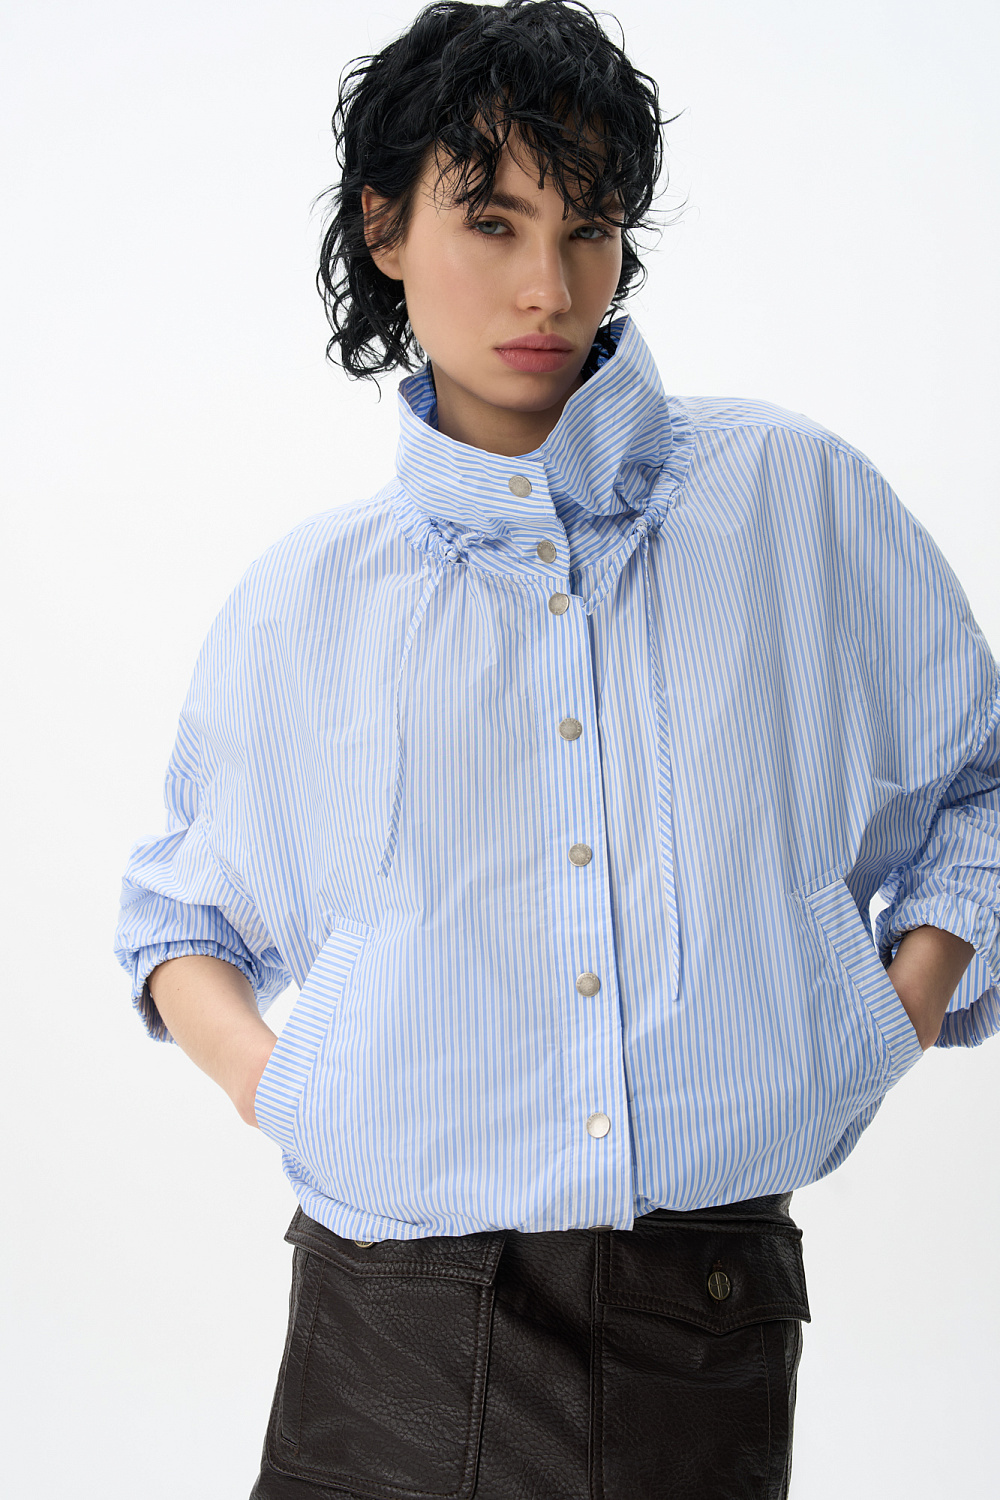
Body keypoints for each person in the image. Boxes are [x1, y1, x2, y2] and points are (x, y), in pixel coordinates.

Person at [113, 2, 1000, 1496]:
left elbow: (979, 785)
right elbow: (179, 917)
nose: (549, 286)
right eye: (494, 221)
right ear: (385, 228)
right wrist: (293, 1091)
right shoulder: (308, 598)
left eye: (588, 228)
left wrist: (879, 1019)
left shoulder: (791, 500)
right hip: (383, 1325)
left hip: (696, 1311)